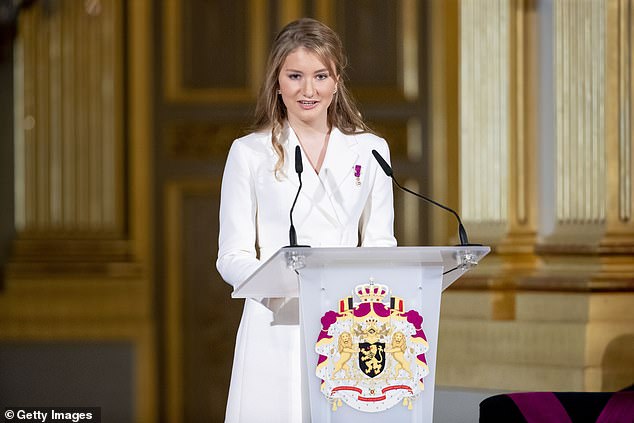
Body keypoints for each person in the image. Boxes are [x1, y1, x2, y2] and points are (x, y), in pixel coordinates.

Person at [216, 17, 397, 422]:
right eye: (295, 76)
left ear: (337, 80)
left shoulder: (370, 150)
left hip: (350, 328)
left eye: (320, 76)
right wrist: (284, 280)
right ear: (277, 82)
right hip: (276, 325)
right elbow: (231, 255)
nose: (308, 90)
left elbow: (382, 246)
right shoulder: (250, 153)